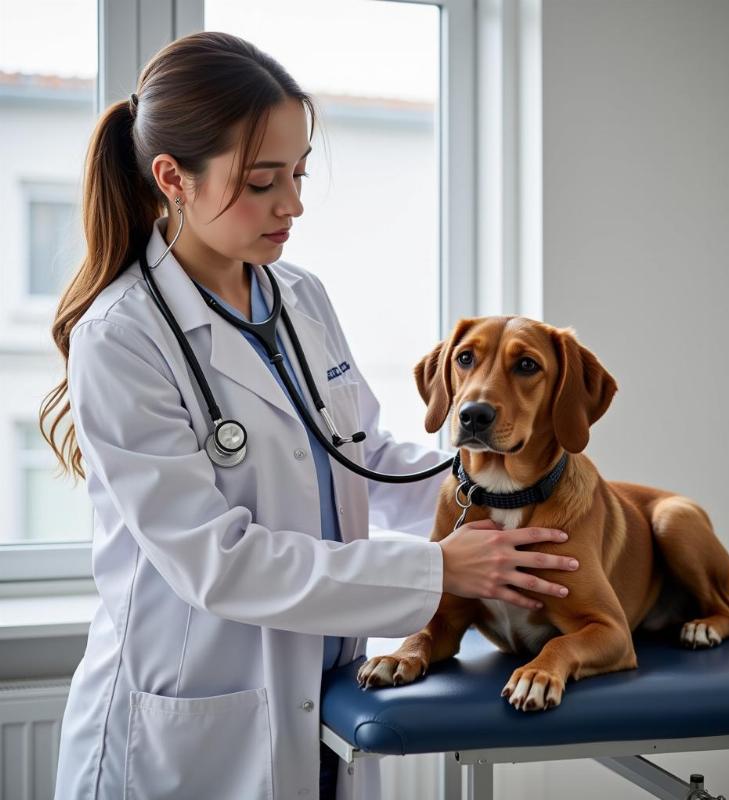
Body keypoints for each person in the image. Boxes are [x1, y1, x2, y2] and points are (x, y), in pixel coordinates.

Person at [41, 31, 579, 800]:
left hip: (319, 699)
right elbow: (217, 562)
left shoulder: (299, 297)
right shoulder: (121, 337)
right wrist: (437, 567)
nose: (292, 203)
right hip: (186, 730)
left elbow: (363, 454)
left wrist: (515, 495)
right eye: (263, 182)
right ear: (174, 179)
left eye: (298, 174)